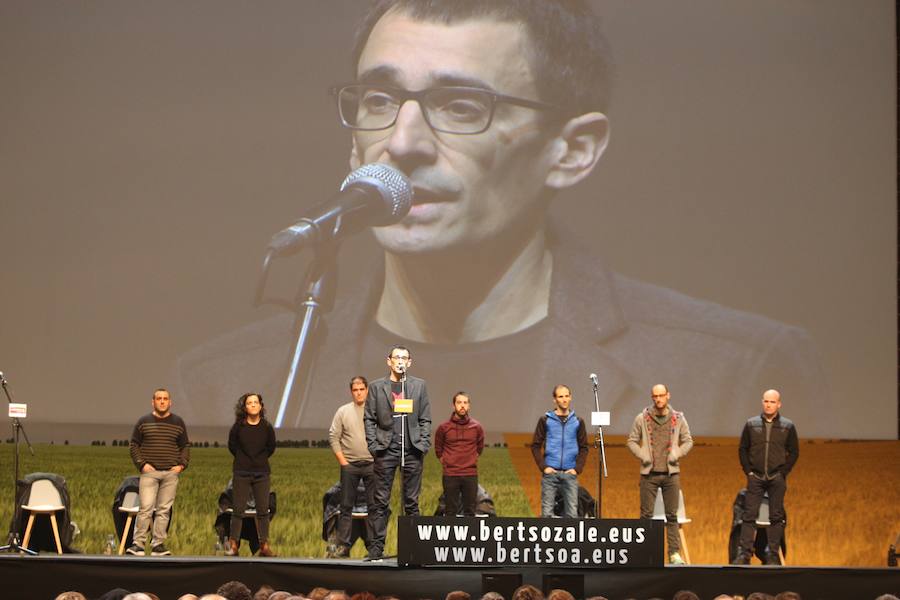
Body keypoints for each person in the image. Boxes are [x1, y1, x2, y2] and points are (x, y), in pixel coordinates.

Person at [175, 0, 825, 437]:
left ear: (572, 150)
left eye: (460, 106)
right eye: (379, 99)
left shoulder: (731, 374)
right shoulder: (225, 383)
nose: (401, 142)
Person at [364, 345, 431, 560]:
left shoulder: (418, 386)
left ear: (409, 362)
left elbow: (425, 418)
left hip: (412, 451)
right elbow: (369, 418)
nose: (400, 360)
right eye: (397, 357)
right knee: (380, 501)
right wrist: (373, 445)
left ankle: (413, 550)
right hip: (385, 451)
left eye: (404, 357)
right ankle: (376, 549)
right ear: (389, 361)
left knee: (411, 502)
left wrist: (423, 443)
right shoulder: (376, 387)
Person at [626, 384, 693, 565]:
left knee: (672, 516)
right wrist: (643, 454)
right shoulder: (642, 418)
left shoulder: (678, 418)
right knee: (646, 516)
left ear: (668, 395)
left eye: (661, 395)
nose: (658, 399)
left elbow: (688, 441)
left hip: (671, 474)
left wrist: (677, 453)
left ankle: (674, 553)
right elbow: (632, 441)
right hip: (649, 475)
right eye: (655, 396)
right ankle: (645, 553)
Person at [732, 389, 799, 565]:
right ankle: (745, 554)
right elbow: (743, 449)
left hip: (777, 478)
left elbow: (794, 452)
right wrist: (749, 472)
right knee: (749, 516)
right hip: (756, 477)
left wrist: (783, 473)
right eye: (766, 401)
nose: (769, 405)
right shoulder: (751, 424)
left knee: (776, 517)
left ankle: (772, 554)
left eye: (772, 402)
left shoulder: (787, 426)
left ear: (779, 404)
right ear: (762, 402)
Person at [127, 388, 190, 556]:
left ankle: (158, 545)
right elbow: (134, 445)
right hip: (150, 473)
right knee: (145, 508)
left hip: (170, 474)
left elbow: (185, 446)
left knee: (164, 510)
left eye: (165, 399)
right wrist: (142, 465)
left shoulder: (178, 422)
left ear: (170, 402)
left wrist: (181, 466)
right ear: (153, 402)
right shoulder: (143, 421)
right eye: (159, 398)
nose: (162, 401)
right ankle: (138, 544)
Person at [328, 375, 376, 557]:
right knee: (346, 506)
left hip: (372, 465)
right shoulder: (343, 411)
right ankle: (343, 546)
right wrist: (343, 462)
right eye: (355, 390)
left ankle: (374, 548)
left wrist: (379, 459)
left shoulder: (375, 410)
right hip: (350, 466)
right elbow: (333, 436)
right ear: (351, 392)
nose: (359, 393)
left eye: (362, 389)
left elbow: (385, 433)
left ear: (367, 390)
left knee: (374, 506)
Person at [225, 393, 277, 557]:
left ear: (261, 406)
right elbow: (232, 446)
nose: (253, 405)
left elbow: (271, 447)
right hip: (241, 472)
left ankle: (264, 546)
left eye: (256, 402)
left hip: (262, 473)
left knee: (263, 510)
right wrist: (244, 460)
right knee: (238, 510)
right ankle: (234, 545)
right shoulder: (238, 427)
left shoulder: (267, 427)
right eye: (249, 403)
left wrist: (258, 460)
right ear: (245, 407)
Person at [530, 384, 588, 517]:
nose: (564, 399)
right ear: (554, 400)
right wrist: (544, 467)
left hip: (570, 474)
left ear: (571, 397)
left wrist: (577, 469)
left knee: (572, 515)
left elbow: (584, 447)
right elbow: (535, 446)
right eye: (561, 396)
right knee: (547, 515)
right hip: (550, 475)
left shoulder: (578, 421)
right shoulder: (545, 420)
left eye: (567, 396)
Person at [433, 391, 485, 516]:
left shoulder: (477, 427)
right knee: (450, 511)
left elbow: (479, 448)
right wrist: (448, 463)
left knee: (470, 511)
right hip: (450, 474)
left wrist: (470, 461)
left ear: (469, 406)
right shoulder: (443, 428)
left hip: (470, 474)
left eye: (465, 403)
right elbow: (438, 450)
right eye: (459, 402)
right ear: (454, 405)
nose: (462, 405)